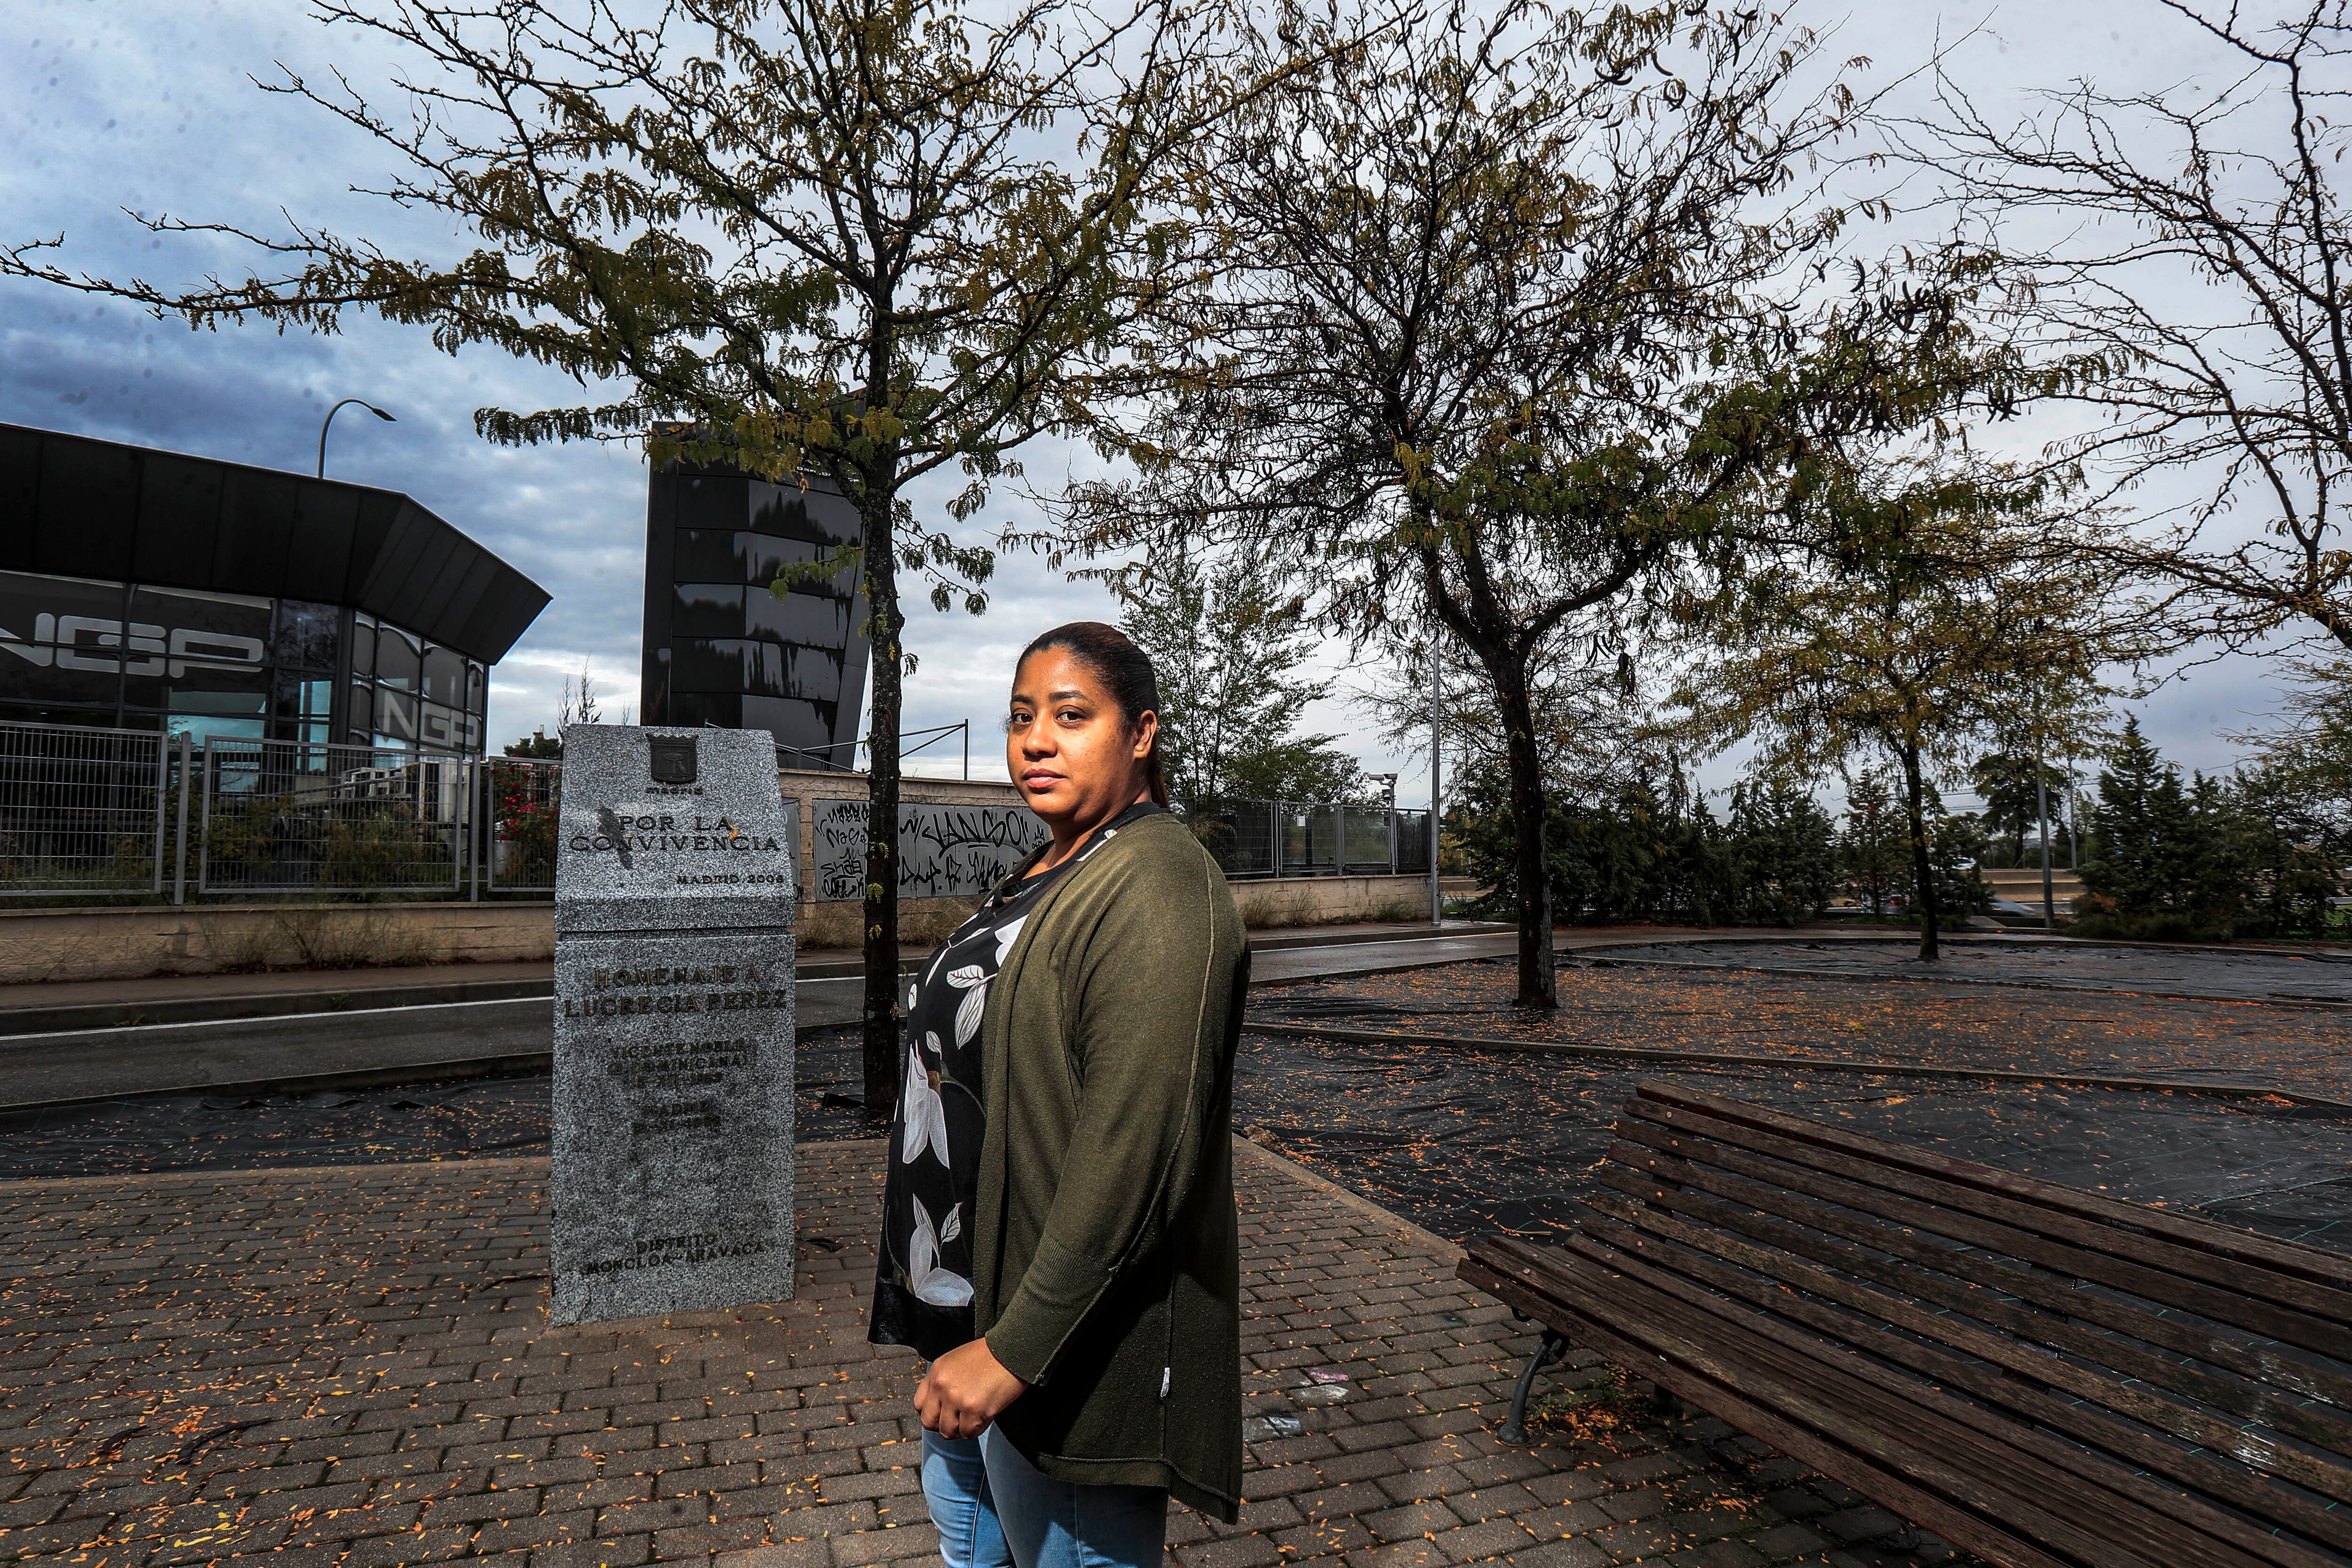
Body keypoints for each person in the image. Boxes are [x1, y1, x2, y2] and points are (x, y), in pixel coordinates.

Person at [869, 621, 1248, 1568]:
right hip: (969, 1316)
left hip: (1058, 1356)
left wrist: (1012, 1351)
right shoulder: (1051, 869)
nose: (1036, 738)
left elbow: (1138, 1153)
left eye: (1072, 715)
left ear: (1141, 732)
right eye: (1022, 717)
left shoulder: (1158, 886)